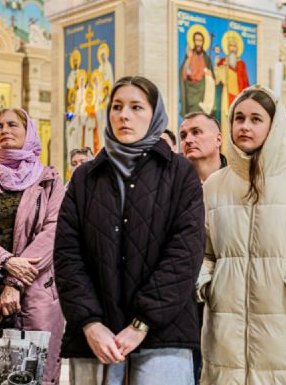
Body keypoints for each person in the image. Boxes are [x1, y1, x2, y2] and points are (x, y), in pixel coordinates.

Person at [54, 76, 205, 384]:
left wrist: (141, 323)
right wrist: (90, 323)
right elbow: (68, 255)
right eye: (117, 107)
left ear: (155, 114)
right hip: (95, 338)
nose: (124, 115)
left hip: (164, 333)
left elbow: (184, 253)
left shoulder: (179, 173)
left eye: (136, 107)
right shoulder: (85, 177)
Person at [196, 85, 286, 384]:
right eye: (239, 118)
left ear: (273, 125)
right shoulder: (214, 186)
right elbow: (202, 251)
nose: (245, 126)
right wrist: (209, 284)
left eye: (255, 119)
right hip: (224, 339)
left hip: (285, 340)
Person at [0, 108, 65, 384]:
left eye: (13, 124)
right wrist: (4, 261)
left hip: (35, 290)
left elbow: (53, 232)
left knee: (35, 374)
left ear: (29, 132)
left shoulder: (49, 180)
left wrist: (14, 282)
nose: (5, 130)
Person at [179, 112, 226, 183]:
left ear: (218, 139)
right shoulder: (173, 183)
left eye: (196, 132)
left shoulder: (237, 179)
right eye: (183, 136)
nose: (188, 140)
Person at [180, 31, 215, 116]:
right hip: (191, 92)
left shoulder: (206, 59)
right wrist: (189, 59)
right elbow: (186, 74)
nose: (198, 43)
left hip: (202, 93)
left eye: (200, 40)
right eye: (196, 40)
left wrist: (209, 75)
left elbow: (213, 78)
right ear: (194, 41)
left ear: (203, 42)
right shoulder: (189, 56)